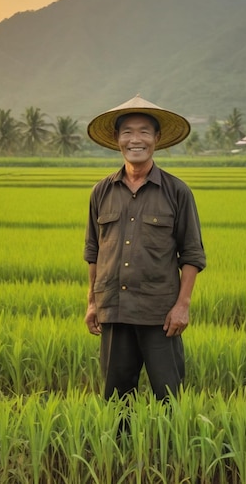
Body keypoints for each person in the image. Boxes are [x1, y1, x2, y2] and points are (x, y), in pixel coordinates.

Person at [84, 94, 206, 400]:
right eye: (127, 132)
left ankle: (169, 448)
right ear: (117, 139)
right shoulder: (101, 191)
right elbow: (93, 251)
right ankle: (121, 449)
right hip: (114, 309)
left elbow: (191, 254)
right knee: (115, 401)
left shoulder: (177, 192)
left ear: (157, 138)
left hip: (160, 315)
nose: (135, 140)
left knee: (169, 398)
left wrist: (182, 306)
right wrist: (92, 302)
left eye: (143, 132)